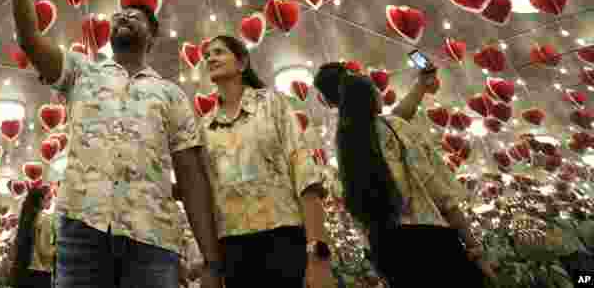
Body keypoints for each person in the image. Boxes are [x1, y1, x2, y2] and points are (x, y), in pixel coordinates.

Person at [9, 0, 223, 288]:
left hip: (152, 238)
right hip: (81, 232)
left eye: (135, 16)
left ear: (152, 36)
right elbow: (30, 39)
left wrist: (212, 260)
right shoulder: (80, 72)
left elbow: (191, 177)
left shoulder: (171, 95)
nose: (123, 16)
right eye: (119, 14)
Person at [332, 72, 496, 286]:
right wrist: (473, 246)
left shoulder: (345, 146)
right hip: (428, 239)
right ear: (371, 98)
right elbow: (436, 190)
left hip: (384, 246)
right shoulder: (395, 128)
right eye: (375, 90)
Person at [201, 35, 334, 287]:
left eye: (219, 52)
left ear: (241, 64)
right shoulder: (205, 126)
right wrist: (211, 265)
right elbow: (206, 197)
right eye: (207, 55)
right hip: (233, 248)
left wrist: (317, 254)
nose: (210, 58)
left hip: (283, 238)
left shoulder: (272, 104)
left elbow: (304, 173)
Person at [314, 61, 438, 120]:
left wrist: (421, 84)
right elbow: (399, 116)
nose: (380, 93)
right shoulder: (365, 137)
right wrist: (421, 85)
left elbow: (399, 114)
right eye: (373, 88)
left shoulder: (361, 132)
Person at [10, 188, 56, 288]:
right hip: (40, 272)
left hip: (23, 270)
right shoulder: (44, 219)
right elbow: (45, 250)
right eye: (48, 198)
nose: (50, 201)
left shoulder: (26, 219)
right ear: (40, 200)